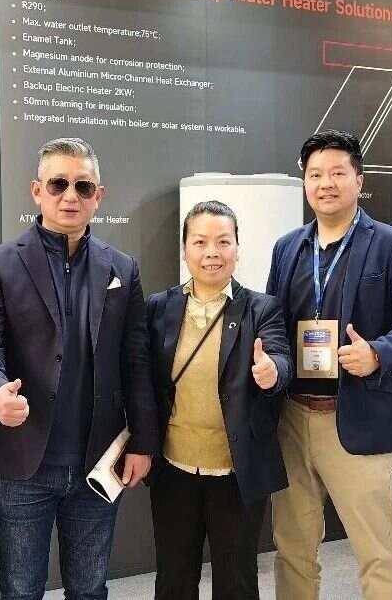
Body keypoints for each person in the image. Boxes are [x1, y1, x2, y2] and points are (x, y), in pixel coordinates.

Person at [0, 137, 159, 600]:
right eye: (58, 184)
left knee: (89, 589)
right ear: (37, 191)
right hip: (21, 463)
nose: (70, 196)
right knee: (21, 590)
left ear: (98, 196)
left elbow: (135, 361)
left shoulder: (122, 268)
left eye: (83, 186)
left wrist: (143, 442)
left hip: (98, 460)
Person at [266, 129, 392, 600]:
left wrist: (377, 352)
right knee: (293, 548)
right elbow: (274, 322)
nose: (326, 183)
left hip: (358, 414)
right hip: (293, 418)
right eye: (315, 174)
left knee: (378, 551)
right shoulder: (287, 248)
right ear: (305, 182)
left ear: (359, 180)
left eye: (338, 173)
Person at [146, 201, 293, 600]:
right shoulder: (159, 307)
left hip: (235, 471)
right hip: (174, 470)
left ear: (237, 248)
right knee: (174, 580)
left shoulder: (261, 308)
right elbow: (144, 383)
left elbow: (281, 357)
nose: (212, 252)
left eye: (223, 242)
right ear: (184, 250)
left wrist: (272, 371)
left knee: (237, 581)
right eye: (200, 242)